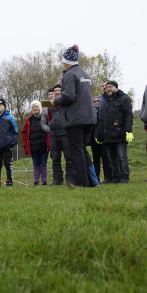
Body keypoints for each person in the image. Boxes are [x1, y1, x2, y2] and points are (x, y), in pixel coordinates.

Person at [50, 45, 98, 187]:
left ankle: (82, 182)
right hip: (89, 118)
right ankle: (93, 181)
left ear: (67, 62)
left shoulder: (69, 74)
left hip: (75, 119)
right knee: (82, 149)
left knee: (76, 151)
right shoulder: (86, 75)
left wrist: (55, 101)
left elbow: (69, 96)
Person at [95, 81, 134, 183]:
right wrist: (98, 134)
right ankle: (115, 178)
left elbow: (128, 115)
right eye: (107, 87)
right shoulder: (105, 102)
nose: (108, 89)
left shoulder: (124, 99)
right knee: (111, 158)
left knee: (122, 157)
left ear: (116, 87)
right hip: (108, 135)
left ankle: (124, 177)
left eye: (110, 87)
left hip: (120, 133)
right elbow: (101, 120)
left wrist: (128, 130)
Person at [41, 84, 76, 185]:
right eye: (55, 90)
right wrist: (50, 129)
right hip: (54, 135)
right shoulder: (49, 105)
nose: (57, 92)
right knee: (55, 158)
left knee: (69, 158)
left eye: (59, 90)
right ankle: (57, 179)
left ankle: (70, 178)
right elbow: (46, 120)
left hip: (65, 134)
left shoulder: (67, 103)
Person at [22, 101, 50, 185]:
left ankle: (44, 181)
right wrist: (25, 142)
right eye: (33, 107)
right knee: (36, 164)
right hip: (33, 145)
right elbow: (24, 132)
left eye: (37, 106)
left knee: (43, 163)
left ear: (40, 107)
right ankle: (36, 181)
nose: (35, 108)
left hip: (44, 144)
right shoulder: (29, 120)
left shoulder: (45, 118)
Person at [97, 80, 113, 184]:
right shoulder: (102, 100)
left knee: (115, 155)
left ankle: (117, 175)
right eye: (103, 86)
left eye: (106, 86)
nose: (105, 88)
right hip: (103, 130)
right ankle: (107, 177)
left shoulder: (116, 99)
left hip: (114, 130)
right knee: (105, 155)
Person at [89, 96, 107, 183]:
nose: (96, 102)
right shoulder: (90, 112)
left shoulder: (103, 111)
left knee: (105, 157)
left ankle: (107, 176)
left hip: (103, 137)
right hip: (94, 138)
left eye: (98, 101)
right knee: (96, 159)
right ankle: (96, 176)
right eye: (94, 101)